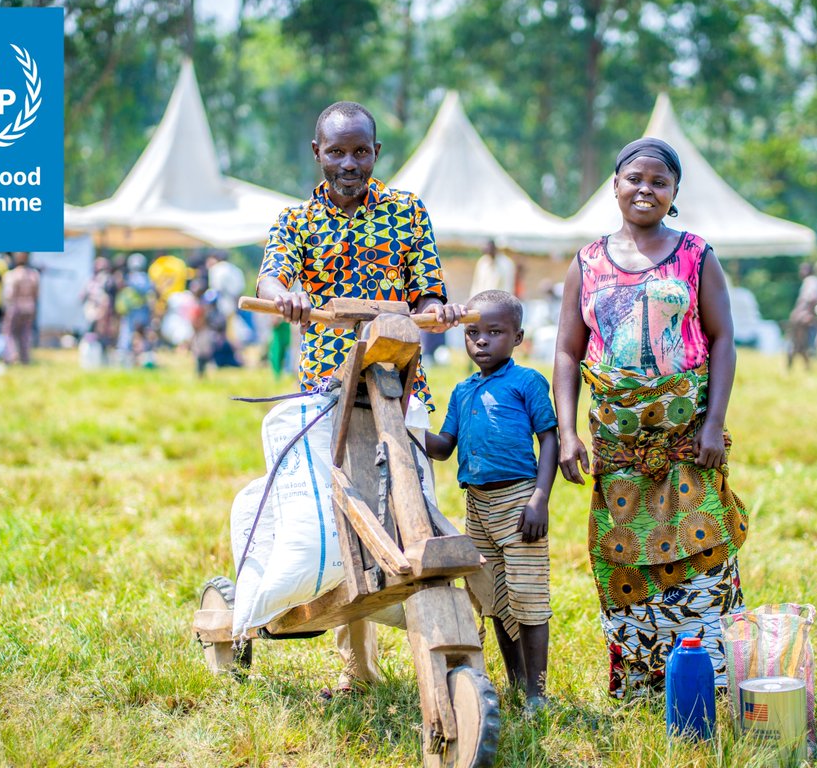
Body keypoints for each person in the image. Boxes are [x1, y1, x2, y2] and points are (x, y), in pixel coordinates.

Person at [255, 100, 466, 697]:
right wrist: (286, 297)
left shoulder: (406, 211)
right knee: (347, 516)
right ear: (316, 153)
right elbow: (270, 277)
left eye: (361, 151)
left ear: (376, 152)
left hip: (399, 387)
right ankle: (358, 667)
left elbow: (428, 292)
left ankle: (440, 651)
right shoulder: (295, 221)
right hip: (328, 393)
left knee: (411, 509)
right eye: (337, 151)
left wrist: (436, 311)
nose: (350, 162)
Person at [553, 138, 748, 700]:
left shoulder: (695, 254)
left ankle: (710, 677)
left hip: (688, 437)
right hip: (617, 443)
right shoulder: (587, 262)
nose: (646, 189)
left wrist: (713, 423)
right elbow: (568, 351)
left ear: (674, 193)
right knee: (626, 549)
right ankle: (641, 684)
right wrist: (567, 433)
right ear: (614, 185)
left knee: (701, 549)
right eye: (634, 179)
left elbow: (723, 338)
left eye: (659, 182)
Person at [424, 290, 558, 712]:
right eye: (472, 333)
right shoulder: (462, 391)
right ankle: (517, 683)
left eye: (494, 333)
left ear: (518, 337)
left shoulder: (527, 382)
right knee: (494, 598)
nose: (481, 341)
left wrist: (540, 499)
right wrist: (406, 422)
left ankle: (537, 693)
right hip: (478, 508)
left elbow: (549, 439)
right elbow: (444, 446)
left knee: (529, 597)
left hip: (520, 504)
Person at [786, 263, 817, 371]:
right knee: (798, 338)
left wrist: (807, 313)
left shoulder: (810, 281)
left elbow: (811, 299)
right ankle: (806, 359)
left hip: (816, 317)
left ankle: (803, 360)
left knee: (797, 340)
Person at [2, 252, 40, 365]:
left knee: (9, 332)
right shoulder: (34, 274)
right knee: (26, 333)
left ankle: (11, 356)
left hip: (16, 306)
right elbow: (37, 294)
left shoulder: (12, 275)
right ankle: (25, 358)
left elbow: (9, 294)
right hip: (29, 306)